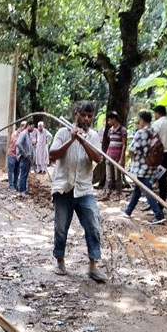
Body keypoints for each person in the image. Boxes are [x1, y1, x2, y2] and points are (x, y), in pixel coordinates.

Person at [49, 100, 105, 281]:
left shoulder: (94, 136)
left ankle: (93, 265)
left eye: (90, 116)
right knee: (60, 227)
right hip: (63, 187)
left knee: (93, 225)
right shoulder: (63, 132)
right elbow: (53, 154)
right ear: (75, 115)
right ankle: (60, 261)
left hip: (84, 190)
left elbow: (97, 158)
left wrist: (82, 142)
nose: (87, 119)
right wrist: (72, 139)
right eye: (83, 115)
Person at [121, 111, 166, 224]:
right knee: (138, 188)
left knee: (147, 190)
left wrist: (127, 156)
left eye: (138, 120)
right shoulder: (153, 131)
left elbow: (132, 150)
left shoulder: (140, 132)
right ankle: (128, 210)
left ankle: (158, 214)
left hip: (141, 166)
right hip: (151, 165)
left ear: (141, 120)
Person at [149, 105, 167, 208]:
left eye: (155, 113)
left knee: (152, 179)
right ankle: (161, 203)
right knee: (163, 181)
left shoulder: (157, 124)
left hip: (158, 156)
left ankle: (155, 204)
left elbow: (152, 139)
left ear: (158, 113)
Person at [99, 111, 127, 201]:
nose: (108, 121)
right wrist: (106, 154)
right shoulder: (110, 130)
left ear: (114, 119)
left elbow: (124, 145)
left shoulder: (122, 130)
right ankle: (107, 193)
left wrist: (122, 158)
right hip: (109, 155)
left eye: (110, 119)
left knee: (117, 176)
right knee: (109, 176)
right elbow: (110, 142)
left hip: (118, 156)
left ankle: (118, 194)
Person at [15, 121, 35, 196]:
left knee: (25, 175)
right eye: (32, 126)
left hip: (27, 158)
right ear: (28, 125)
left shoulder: (28, 135)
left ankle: (24, 190)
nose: (33, 128)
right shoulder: (23, 133)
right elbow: (18, 143)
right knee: (23, 175)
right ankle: (21, 191)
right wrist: (24, 154)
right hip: (24, 158)